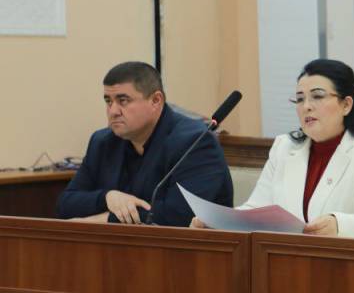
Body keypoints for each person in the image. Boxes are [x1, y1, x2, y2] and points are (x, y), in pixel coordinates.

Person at [193, 59, 354, 238]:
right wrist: (218, 223)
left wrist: (339, 224)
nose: (306, 106)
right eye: (300, 99)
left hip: (343, 265)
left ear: (346, 105)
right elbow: (256, 210)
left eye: (317, 96)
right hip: (283, 261)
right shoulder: (284, 147)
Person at [57, 61, 233, 226]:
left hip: (186, 248)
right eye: (108, 101)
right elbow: (65, 205)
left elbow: (178, 216)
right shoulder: (103, 142)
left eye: (123, 101)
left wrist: (104, 220)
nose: (113, 111)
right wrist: (107, 198)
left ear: (156, 101)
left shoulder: (195, 143)